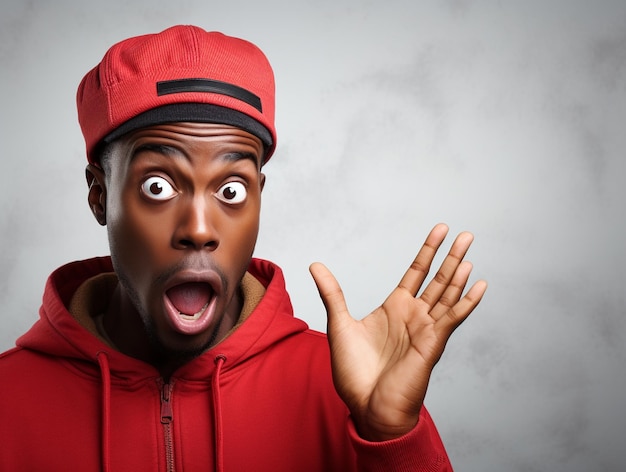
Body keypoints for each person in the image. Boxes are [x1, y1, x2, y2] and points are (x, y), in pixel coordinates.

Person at [0, 25, 487, 471]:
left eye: (230, 190)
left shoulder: (345, 389)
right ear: (99, 195)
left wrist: (392, 439)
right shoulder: (9, 399)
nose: (199, 228)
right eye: (158, 187)